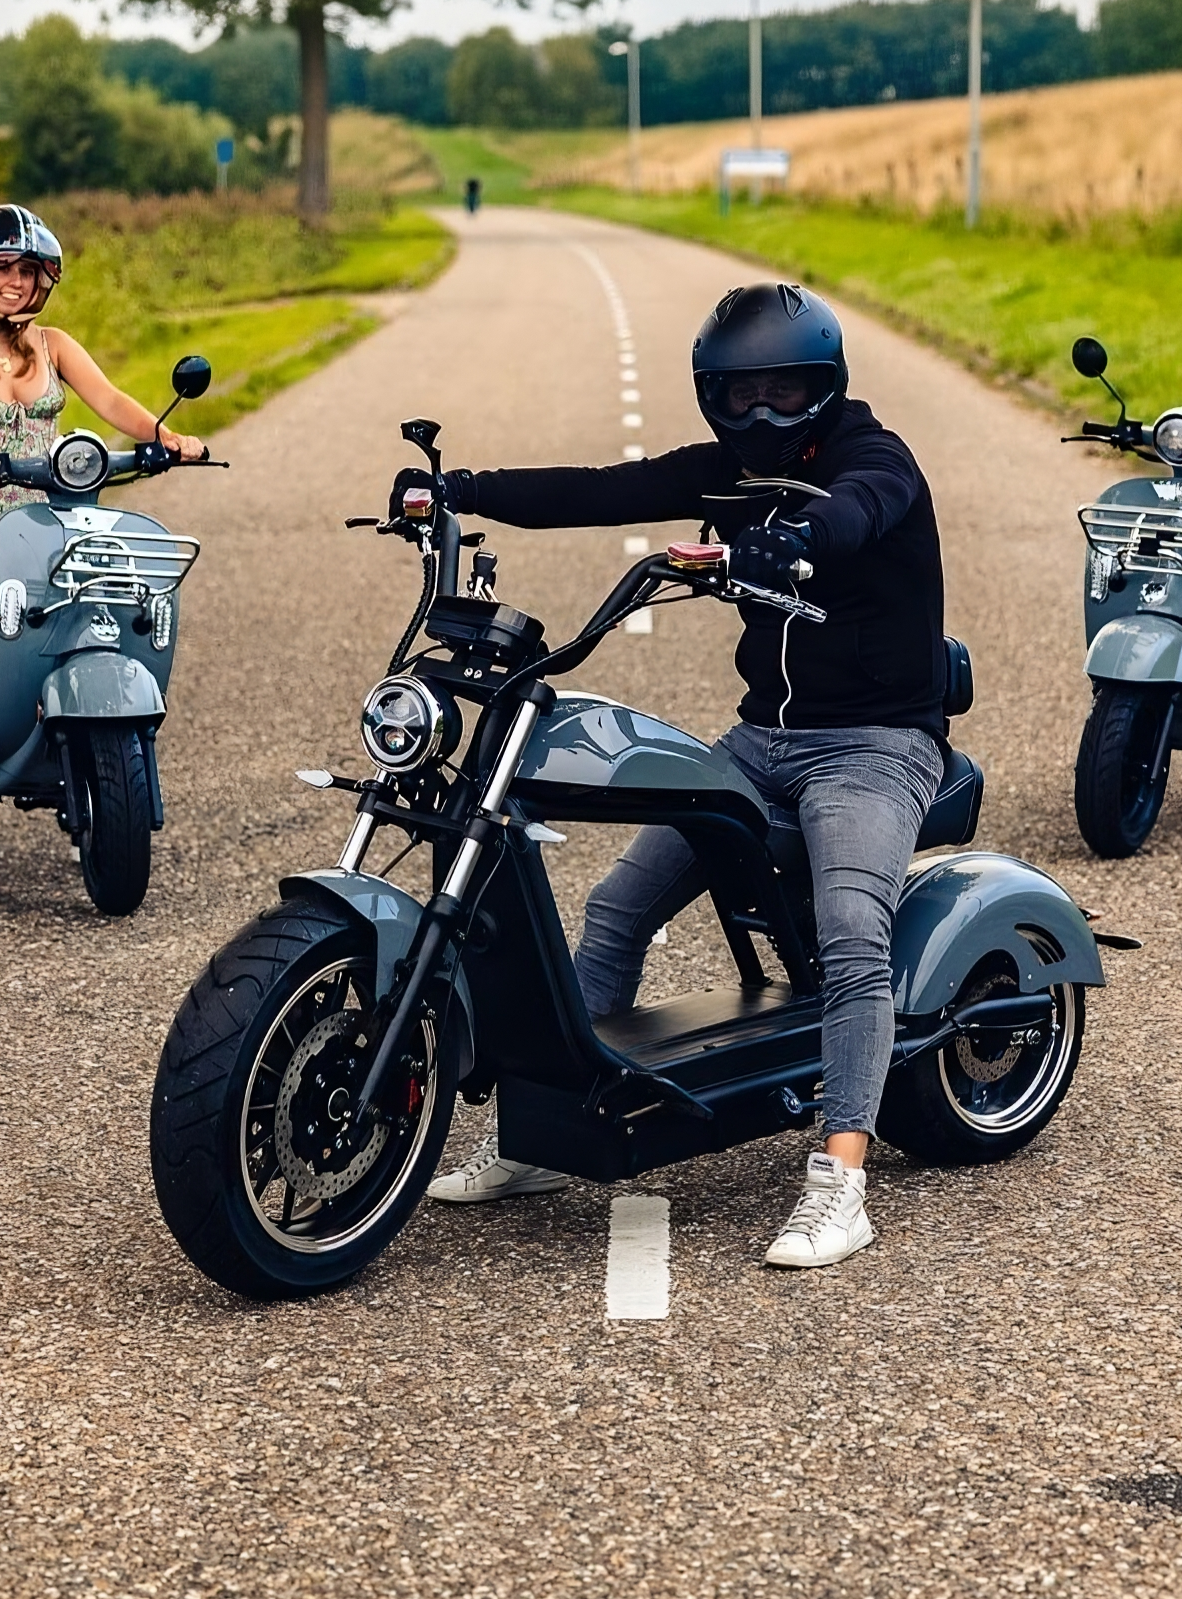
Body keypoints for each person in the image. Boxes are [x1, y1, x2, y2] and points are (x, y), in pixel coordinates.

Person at [402, 282, 949, 1267]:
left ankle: (841, 1178)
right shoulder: (727, 469)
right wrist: (460, 490)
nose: (761, 417)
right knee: (617, 906)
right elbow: (598, 490)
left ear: (824, 388)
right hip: (760, 742)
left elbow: (858, 515)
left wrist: (775, 544)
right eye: (738, 398)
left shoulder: (875, 460)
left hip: (875, 744)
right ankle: (543, 1134)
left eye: (784, 393)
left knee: (852, 938)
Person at [0, 204, 204, 759]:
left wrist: (166, 436)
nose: (16, 282)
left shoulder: (53, 345)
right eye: (3, 269)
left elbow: (112, 400)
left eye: (28, 272)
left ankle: (87, 694)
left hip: (50, 502)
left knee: (108, 573)